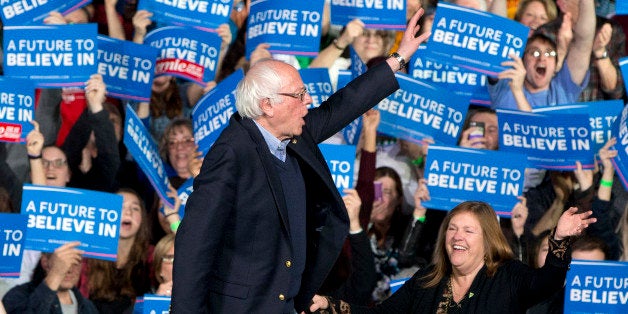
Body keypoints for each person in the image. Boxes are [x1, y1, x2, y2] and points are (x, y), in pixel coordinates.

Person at [171, 8, 431, 313]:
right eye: (299, 95)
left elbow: (341, 106)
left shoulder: (294, 133)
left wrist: (398, 59)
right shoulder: (230, 153)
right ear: (268, 105)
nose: (308, 101)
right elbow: (194, 245)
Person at [309, 201, 596, 313]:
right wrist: (327, 305)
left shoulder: (508, 276)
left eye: (468, 231)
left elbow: (548, 282)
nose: (457, 237)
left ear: (487, 240)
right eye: (453, 229)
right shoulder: (427, 280)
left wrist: (558, 241)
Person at [489, 0, 595, 111]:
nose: (542, 58)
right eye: (534, 52)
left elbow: (583, 42)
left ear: (556, 65)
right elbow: (498, 30)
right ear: (523, 60)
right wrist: (516, 90)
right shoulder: (506, 81)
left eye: (549, 53)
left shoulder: (563, 87)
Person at [2, 242, 98, 314]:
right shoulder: (18, 295)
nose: (69, 270)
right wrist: (56, 274)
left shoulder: (88, 307)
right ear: (45, 262)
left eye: (76, 262)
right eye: (62, 262)